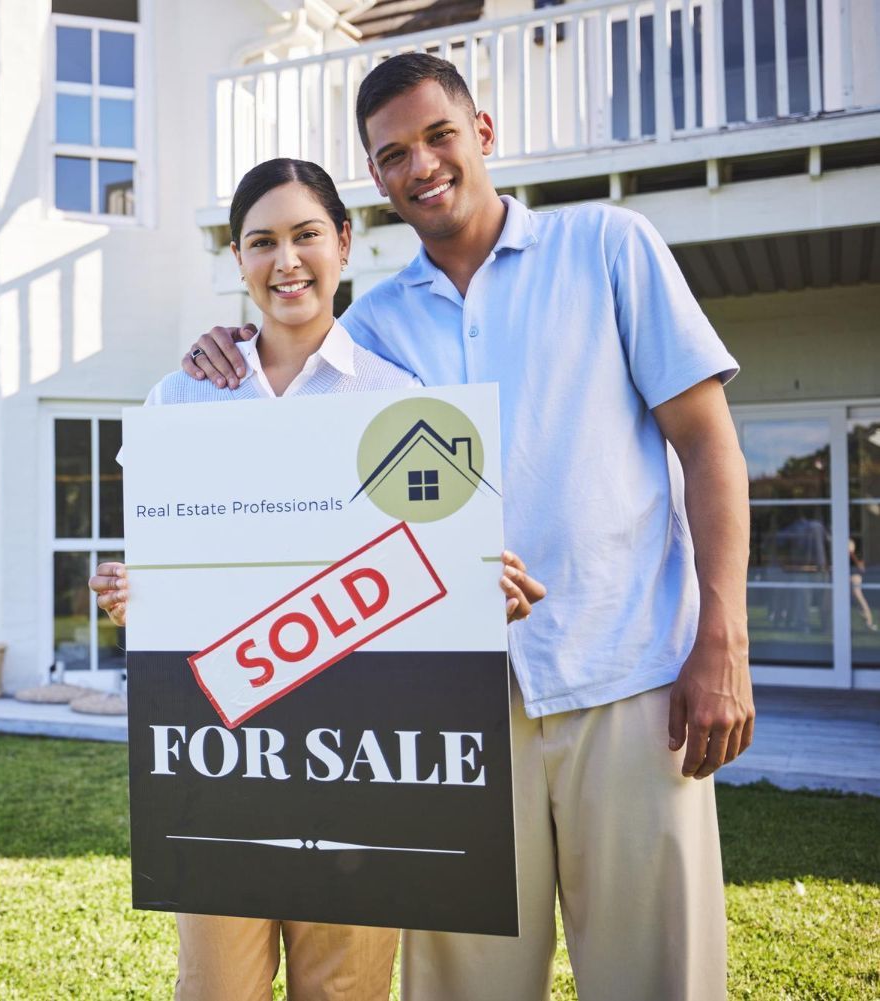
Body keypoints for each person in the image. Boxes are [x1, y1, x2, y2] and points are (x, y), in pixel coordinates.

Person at [177, 52, 753, 1001]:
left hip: (633, 679)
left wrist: (720, 635)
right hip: (458, 716)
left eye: (439, 135)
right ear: (376, 176)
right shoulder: (374, 330)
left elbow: (709, 446)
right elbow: (299, 423)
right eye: (394, 151)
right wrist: (229, 346)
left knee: (660, 982)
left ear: (483, 133)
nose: (423, 164)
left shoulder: (609, 247)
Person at [91, 155, 546, 1001]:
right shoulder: (182, 401)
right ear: (237, 259)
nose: (286, 260)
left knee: (344, 991)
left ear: (344, 240)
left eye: (306, 235)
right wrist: (131, 592)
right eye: (262, 241)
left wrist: (482, 588)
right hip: (218, 762)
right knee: (216, 988)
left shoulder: (399, 400)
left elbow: (431, 579)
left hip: (361, 767)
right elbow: (166, 575)